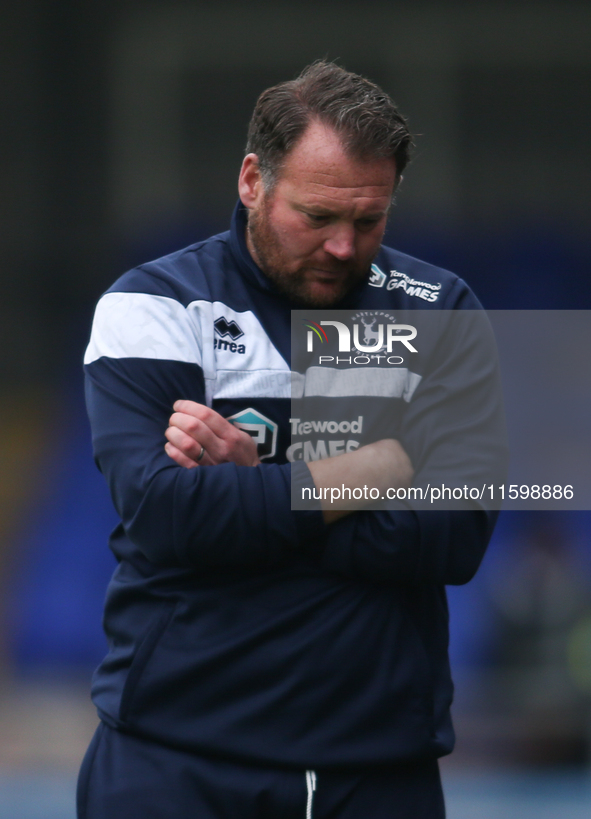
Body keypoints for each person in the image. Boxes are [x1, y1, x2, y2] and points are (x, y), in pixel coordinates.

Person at [79, 61, 503, 818]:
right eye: (317, 217)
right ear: (252, 180)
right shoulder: (153, 306)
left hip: (378, 773)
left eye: (368, 220)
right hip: (171, 765)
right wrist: (380, 468)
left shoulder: (440, 309)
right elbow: (169, 515)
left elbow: (454, 537)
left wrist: (257, 477)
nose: (344, 246)